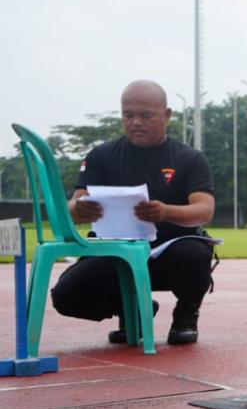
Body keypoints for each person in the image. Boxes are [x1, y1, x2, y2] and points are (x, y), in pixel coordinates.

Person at [51, 80, 215, 345]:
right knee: (65, 297)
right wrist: (77, 208)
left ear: (167, 115)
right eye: (128, 115)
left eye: (146, 115)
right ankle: (133, 310)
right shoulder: (100, 156)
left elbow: (204, 210)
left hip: (169, 251)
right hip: (115, 253)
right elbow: (76, 204)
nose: (136, 122)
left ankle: (186, 313)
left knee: (195, 253)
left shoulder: (189, 159)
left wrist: (166, 212)